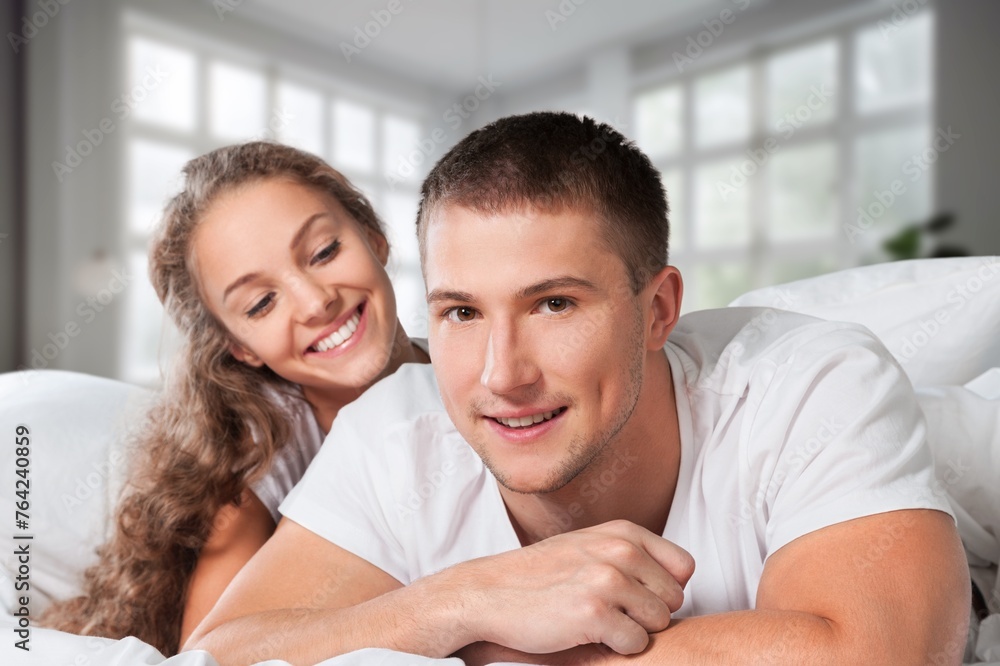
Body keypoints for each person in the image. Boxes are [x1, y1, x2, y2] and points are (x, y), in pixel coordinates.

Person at [186, 113, 970, 665]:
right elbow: (219, 657)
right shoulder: (395, 432)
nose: (502, 376)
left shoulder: (810, 384)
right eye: (460, 312)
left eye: (554, 304)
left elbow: (878, 657)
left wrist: (499, 651)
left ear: (658, 308)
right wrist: (462, 604)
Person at [39, 141, 429, 655]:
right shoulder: (251, 490)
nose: (317, 302)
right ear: (240, 347)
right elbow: (206, 657)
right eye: (262, 303)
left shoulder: (476, 366)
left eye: (324, 252)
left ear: (375, 239)